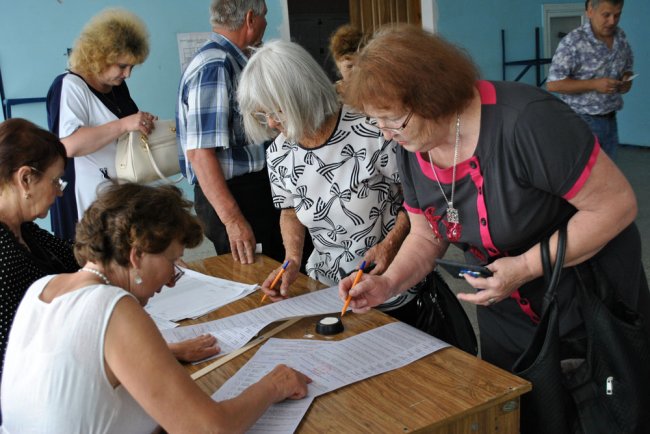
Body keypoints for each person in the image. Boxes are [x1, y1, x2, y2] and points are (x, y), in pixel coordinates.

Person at [338, 23, 649, 415]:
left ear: (432, 97)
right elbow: (426, 234)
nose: (385, 135)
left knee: (602, 414)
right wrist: (388, 283)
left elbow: (616, 206)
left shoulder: (526, 121)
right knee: (523, 411)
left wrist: (522, 267)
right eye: (376, 122)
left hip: (584, 300)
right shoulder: (411, 145)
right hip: (506, 306)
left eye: (392, 121)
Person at [1, 182, 311, 433]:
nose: (175, 278)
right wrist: (274, 384)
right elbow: (210, 430)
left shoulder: (42, 289)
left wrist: (164, 355)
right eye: (172, 261)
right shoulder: (113, 306)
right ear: (136, 256)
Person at [237, 40, 415, 319]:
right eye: (263, 114)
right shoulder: (281, 153)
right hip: (327, 288)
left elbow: (418, 198)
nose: (271, 123)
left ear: (301, 95)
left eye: (276, 111)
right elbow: (290, 210)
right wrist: (292, 259)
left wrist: (389, 245)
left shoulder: (371, 130)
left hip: (390, 282)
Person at [177, 0, 284, 264]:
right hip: (236, 195)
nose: (267, 24)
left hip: (251, 191)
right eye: (265, 17)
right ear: (250, 19)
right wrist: (234, 220)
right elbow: (200, 154)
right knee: (258, 278)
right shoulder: (215, 65)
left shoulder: (235, 60)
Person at [49, 8, 158, 230]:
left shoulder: (117, 87)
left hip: (118, 198)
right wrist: (124, 124)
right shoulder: (70, 86)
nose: (127, 74)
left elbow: (124, 130)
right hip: (84, 202)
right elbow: (69, 145)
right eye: (122, 66)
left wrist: (141, 123)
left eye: (132, 67)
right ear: (99, 56)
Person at [0, 119, 80, 422]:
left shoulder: (24, 230)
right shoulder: (4, 257)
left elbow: (79, 260)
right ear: (25, 179)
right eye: (55, 181)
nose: (59, 192)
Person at [547, 0, 633, 160]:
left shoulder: (620, 37)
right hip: (581, 121)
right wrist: (594, 84)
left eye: (617, 15)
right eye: (606, 15)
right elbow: (553, 84)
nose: (612, 21)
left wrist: (626, 80)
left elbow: (627, 67)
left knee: (607, 173)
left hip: (610, 118)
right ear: (590, 11)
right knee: (584, 177)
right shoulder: (573, 42)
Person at [328, 24, 366, 99]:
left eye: (361, 64)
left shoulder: (375, 90)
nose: (356, 70)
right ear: (338, 66)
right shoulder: (332, 93)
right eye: (349, 66)